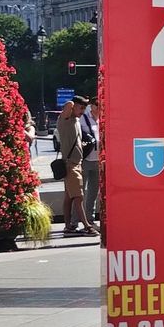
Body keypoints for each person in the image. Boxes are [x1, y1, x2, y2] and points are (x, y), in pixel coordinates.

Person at [57, 96, 99, 236]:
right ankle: (87, 226)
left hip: (76, 163)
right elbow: (68, 104)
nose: (82, 111)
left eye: (84, 108)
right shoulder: (66, 120)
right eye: (80, 107)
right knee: (79, 196)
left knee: (69, 197)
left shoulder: (75, 121)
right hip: (71, 164)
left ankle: (68, 226)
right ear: (73, 107)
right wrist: (73, 103)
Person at [80, 99, 101, 221]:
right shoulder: (83, 119)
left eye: (101, 105)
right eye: (97, 105)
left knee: (93, 192)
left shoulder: (103, 119)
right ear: (91, 106)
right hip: (85, 159)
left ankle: (90, 219)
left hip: (98, 160)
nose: (99, 107)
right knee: (80, 192)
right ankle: (76, 220)